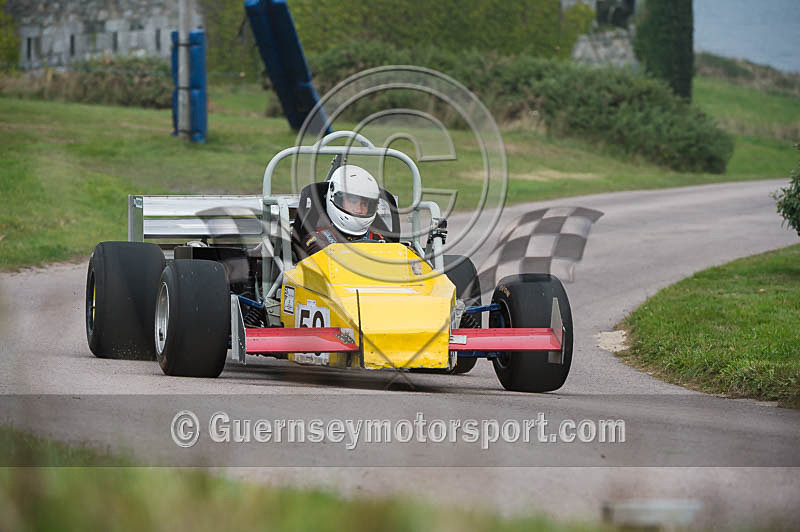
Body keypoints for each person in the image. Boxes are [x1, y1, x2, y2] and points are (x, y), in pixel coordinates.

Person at [303, 165, 386, 255]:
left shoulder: (378, 239)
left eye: (364, 204)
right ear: (335, 198)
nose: (358, 210)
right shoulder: (317, 239)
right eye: (353, 202)